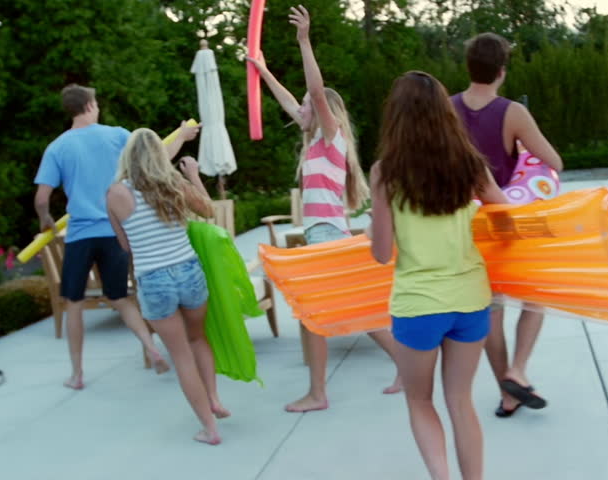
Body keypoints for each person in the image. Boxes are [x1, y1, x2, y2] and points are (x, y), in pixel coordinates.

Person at [246, 5, 401, 412]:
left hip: (328, 238)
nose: (301, 107)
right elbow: (290, 102)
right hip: (324, 236)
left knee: (314, 313)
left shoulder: (332, 141)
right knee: (348, 315)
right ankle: (406, 366)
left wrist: (304, 40)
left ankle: (319, 393)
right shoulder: (315, 142)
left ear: (324, 110)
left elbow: (315, 92)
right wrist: (262, 71)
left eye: (308, 104)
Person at [369, 70, 509, 480]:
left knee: (419, 401)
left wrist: (373, 227)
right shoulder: (469, 164)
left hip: (419, 306)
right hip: (471, 300)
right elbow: (506, 220)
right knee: (461, 402)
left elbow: (381, 254)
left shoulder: (385, 173)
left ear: (395, 117)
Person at [34, 84, 200, 390]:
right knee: (122, 299)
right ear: (88, 106)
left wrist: (47, 223)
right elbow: (157, 158)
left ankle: (77, 374)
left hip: (80, 234)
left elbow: (42, 199)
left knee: (73, 303)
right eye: (95, 102)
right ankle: (151, 349)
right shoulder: (117, 135)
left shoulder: (58, 146)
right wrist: (182, 136)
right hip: (115, 231)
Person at [451, 33, 563, 417]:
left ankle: (507, 394)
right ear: (502, 71)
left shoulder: (445, 110)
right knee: (537, 294)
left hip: (467, 226)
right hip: (507, 220)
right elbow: (554, 161)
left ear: (468, 67)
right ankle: (518, 370)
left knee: (491, 308)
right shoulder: (511, 112)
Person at [107, 129, 225, 445]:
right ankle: (213, 396)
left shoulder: (116, 194)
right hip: (189, 270)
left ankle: (209, 429)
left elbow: (125, 245)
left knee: (181, 355)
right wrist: (194, 175)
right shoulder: (174, 184)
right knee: (199, 339)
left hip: (154, 279)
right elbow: (209, 210)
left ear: (128, 158)